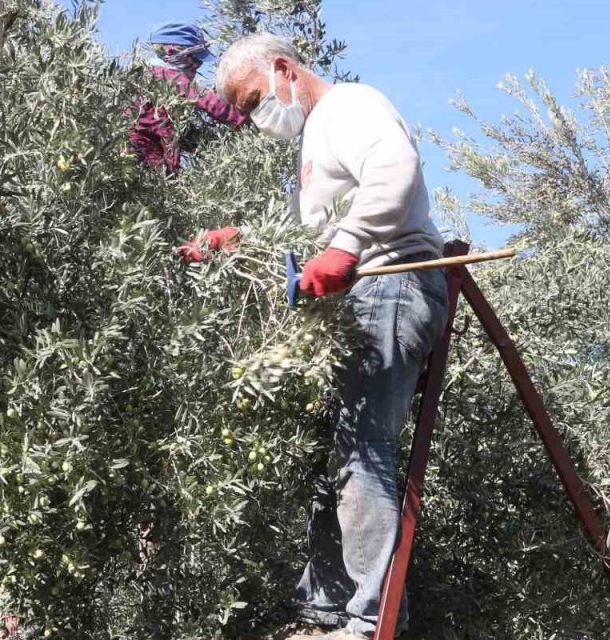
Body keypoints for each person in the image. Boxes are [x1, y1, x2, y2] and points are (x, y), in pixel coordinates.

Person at [205, 34, 450, 639]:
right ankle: (325, 609)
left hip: (393, 283)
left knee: (363, 447)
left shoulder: (349, 105)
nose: (256, 117)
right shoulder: (314, 139)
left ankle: (371, 622)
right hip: (359, 297)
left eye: (255, 100)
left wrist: (346, 247)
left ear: (284, 68)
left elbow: (394, 168)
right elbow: (311, 246)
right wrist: (241, 243)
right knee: (333, 454)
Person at [128, 22, 246, 175]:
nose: (198, 66)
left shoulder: (156, 78)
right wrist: (247, 121)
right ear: (173, 52)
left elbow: (174, 130)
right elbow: (207, 100)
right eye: (195, 59)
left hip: (156, 164)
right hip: (142, 162)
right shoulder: (164, 75)